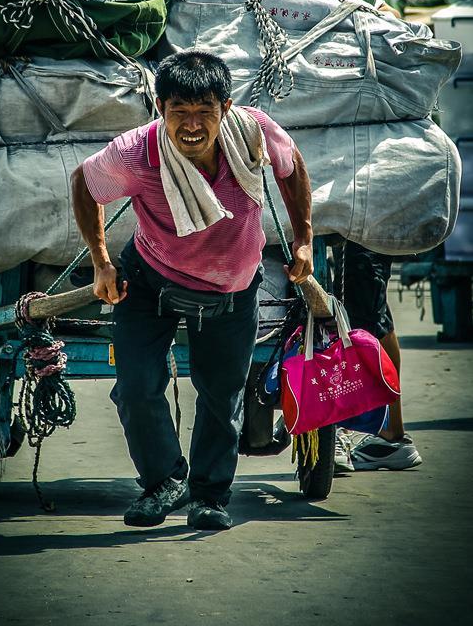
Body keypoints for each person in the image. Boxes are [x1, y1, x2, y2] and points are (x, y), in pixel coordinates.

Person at [71, 50, 313, 530]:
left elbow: (292, 168)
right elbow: (83, 182)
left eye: (204, 110)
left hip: (233, 288)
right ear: (160, 108)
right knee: (137, 390)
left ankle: (209, 496)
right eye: (179, 111)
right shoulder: (136, 153)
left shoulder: (253, 132)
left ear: (226, 107)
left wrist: (304, 239)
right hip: (148, 284)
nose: (192, 124)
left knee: (222, 398)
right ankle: (164, 482)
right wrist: (100, 261)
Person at [332, 240, 422, 473]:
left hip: (367, 220)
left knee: (366, 312)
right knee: (365, 306)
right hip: (356, 220)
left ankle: (386, 432)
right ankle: (388, 430)